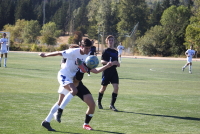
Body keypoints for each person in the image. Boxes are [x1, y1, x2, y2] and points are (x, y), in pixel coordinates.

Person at [41, 54, 115, 131]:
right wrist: (77, 67)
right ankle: (47, 121)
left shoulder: (82, 60)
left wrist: (107, 66)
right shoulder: (66, 59)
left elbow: (95, 70)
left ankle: (86, 124)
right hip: (68, 82)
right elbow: (63, 67)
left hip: (78, 84)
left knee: (92, 104)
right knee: (60, 102)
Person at [39, 38, 92, 127]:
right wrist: (45, 55)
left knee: (60, 101)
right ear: (81, 46)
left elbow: (85, 67)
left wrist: (86, 69)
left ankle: (46, 121)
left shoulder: (88, 54)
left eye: (89, 48)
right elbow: (59, 52)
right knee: (74, 91)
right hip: (64, 75)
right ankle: (60, 110)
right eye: (86, 48)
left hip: (71, 78)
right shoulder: (73, 52)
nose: (88, 50)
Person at [97, 35, 120, 112]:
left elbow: (117, 62)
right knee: (103, 88)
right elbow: (102, 61)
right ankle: (99, 102)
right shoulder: (105, 51)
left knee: (116, 88)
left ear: (114, 41)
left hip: (113, 72)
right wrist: (108, 63)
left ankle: (112, 105)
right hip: (106, 71)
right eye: (109, 40)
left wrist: (117, 63)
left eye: (112, 40)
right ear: (107, 42)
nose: (111, 41)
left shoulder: (116, 52)